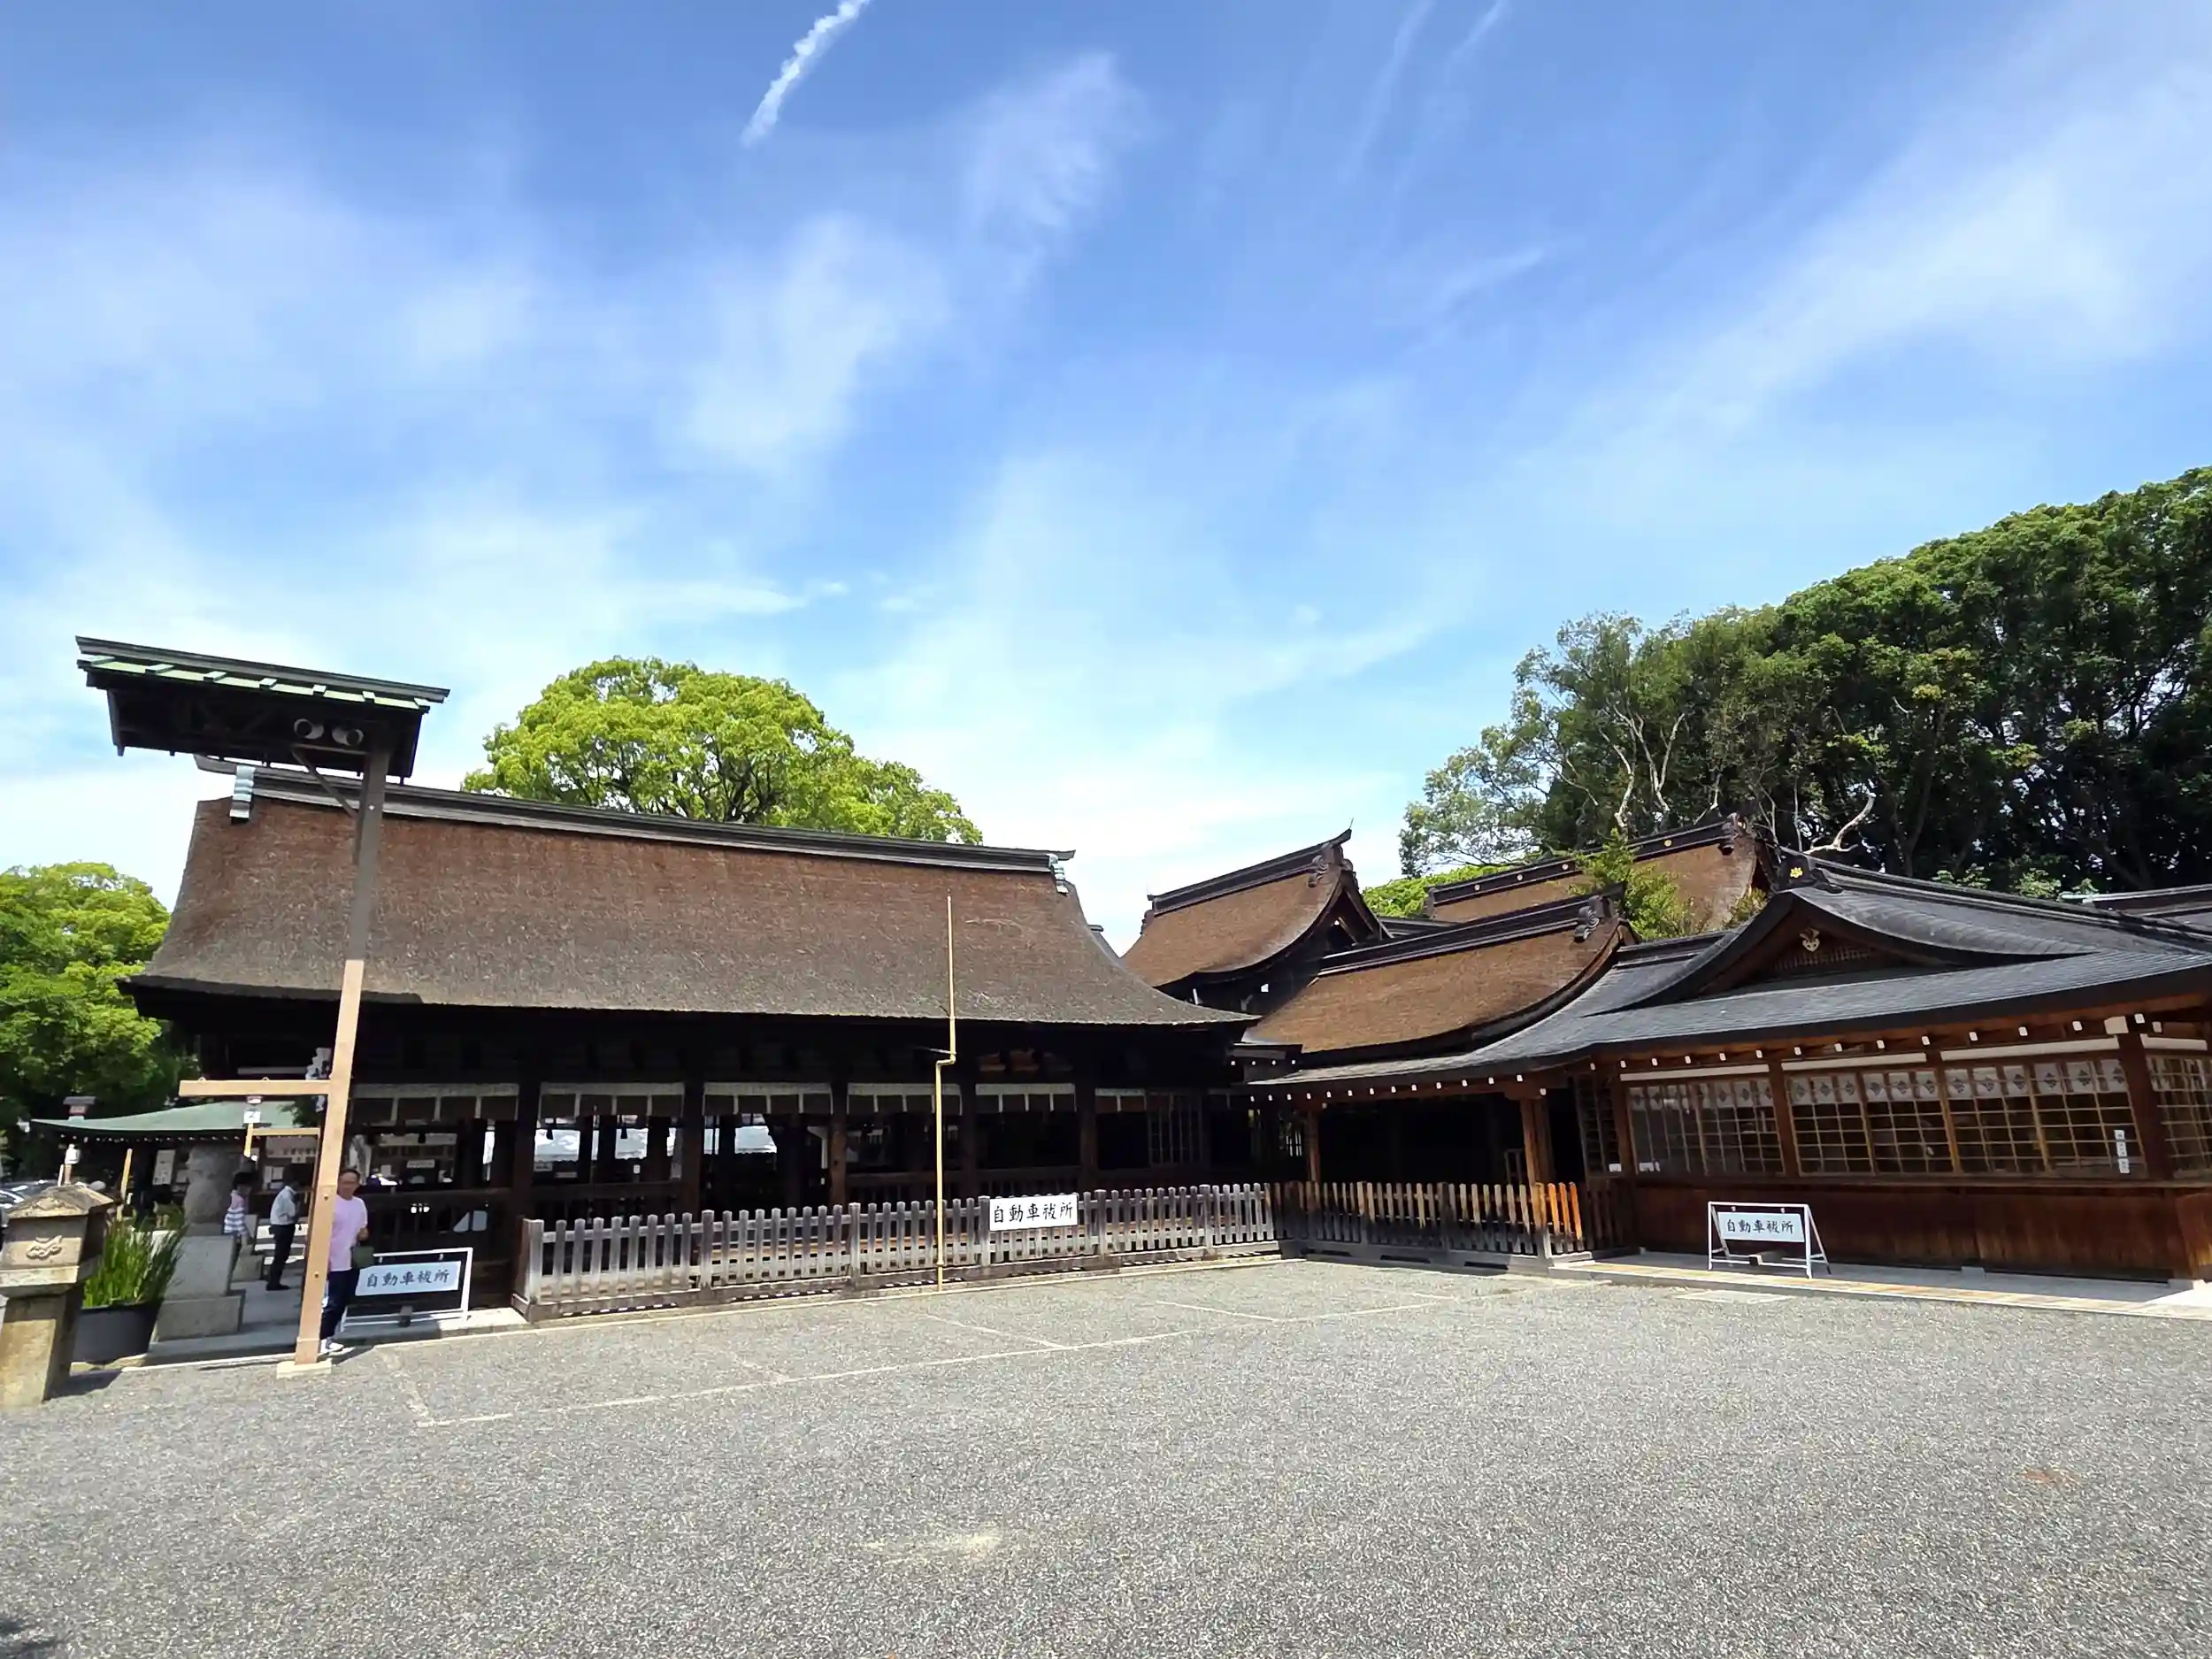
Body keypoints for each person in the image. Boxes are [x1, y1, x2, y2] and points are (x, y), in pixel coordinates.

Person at [319, 1168, 372, 1357]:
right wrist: (322, 1258)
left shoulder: (359, 1204)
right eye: (344, 1182)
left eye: (352, 1182)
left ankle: (329, 1336)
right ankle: (320, 1339)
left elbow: (363, 1229)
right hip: (333, 1259)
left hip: (352, 1259)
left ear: (357, 1184)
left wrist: (364, 1234)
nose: (348, 1186)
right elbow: (321, 1232)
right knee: (332, 1301)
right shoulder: (330, 1203)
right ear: (338, 1183)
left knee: (345, 1299)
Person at [265, 1174, 302, 1290]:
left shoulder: (286, 1194)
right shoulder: (287, 1195)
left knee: (281, 1255)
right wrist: (299, 1206)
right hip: (283, 1226)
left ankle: (274, 1280)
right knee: (280, 1255)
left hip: (282, 1225)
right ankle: (273, 1282)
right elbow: (293, 1213)